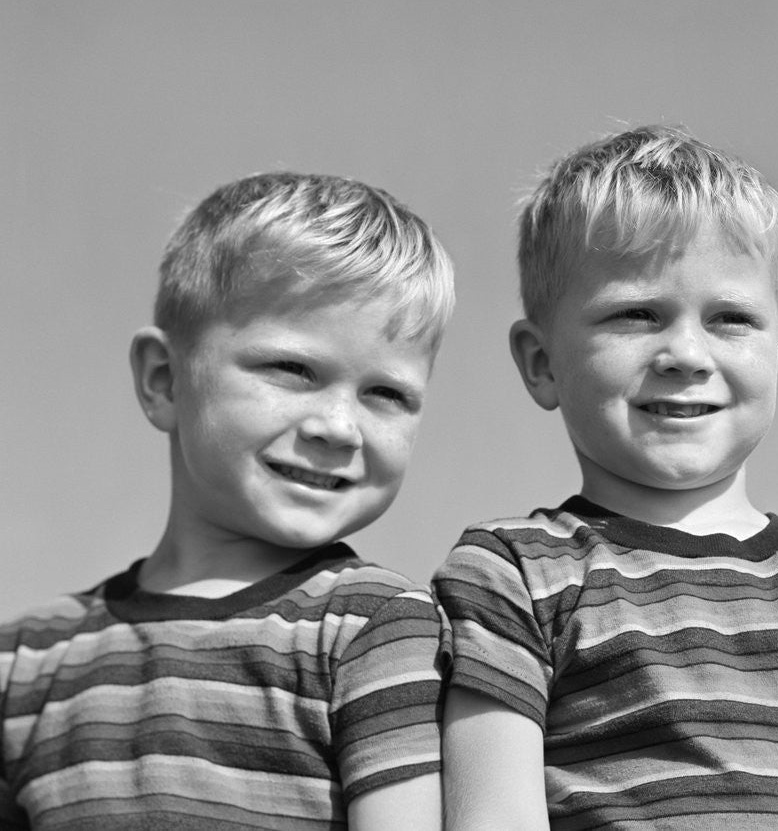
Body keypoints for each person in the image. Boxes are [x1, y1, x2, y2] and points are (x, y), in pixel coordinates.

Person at [433, 125, 778, 830]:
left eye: (731, 319)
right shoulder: (511, 571)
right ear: (541, 362)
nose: (687, 353)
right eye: (636, 314)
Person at [0, 172, 455, 829]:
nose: (339, 426)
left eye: (386, 395)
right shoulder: (24, 664)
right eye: (293, 370)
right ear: (164, 381)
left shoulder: (374, 631)